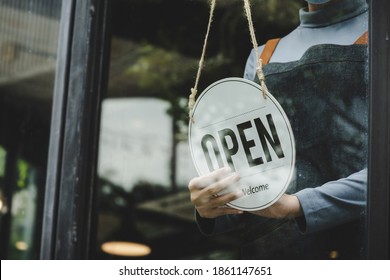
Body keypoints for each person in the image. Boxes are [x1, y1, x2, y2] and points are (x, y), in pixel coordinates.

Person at [188, 0, 368, 259]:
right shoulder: (262, 56)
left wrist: (298, 206)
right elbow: (250, 171)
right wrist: (213, 201)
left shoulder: (380, 35)